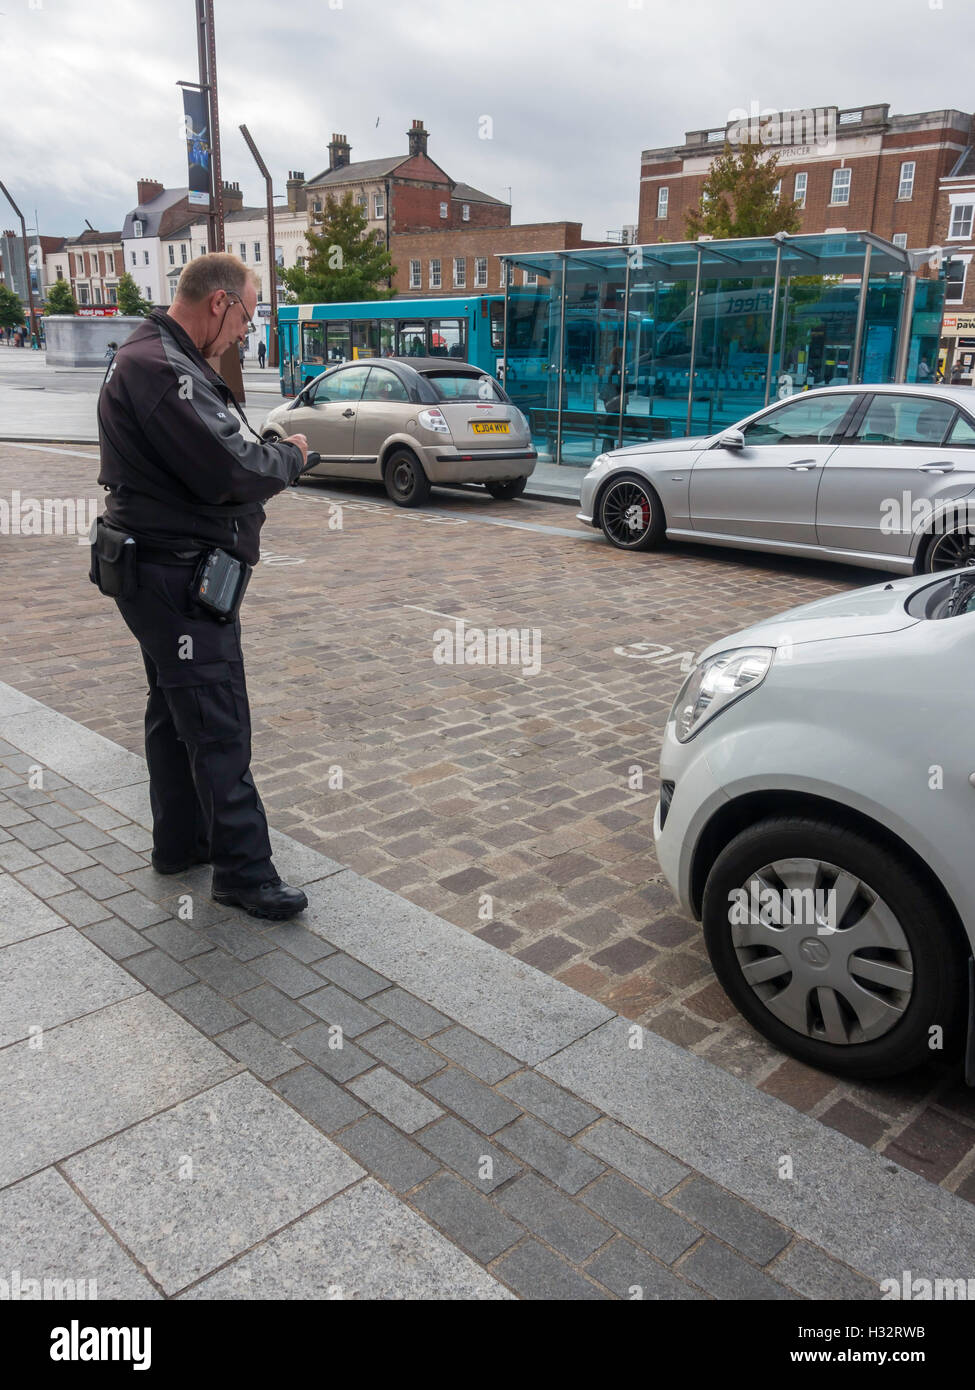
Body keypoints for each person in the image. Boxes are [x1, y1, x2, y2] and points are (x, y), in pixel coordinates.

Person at [95, 252, 311, 921]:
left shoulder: (159, 356)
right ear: (220, 302)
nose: (246, 332)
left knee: (173, 711)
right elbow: (230, 470)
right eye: (247, 314)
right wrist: (292, 458)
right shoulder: (162, 368)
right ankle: (245, 874)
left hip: (158, 569)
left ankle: (180, 843)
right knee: (218, 724)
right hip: (177, 576)